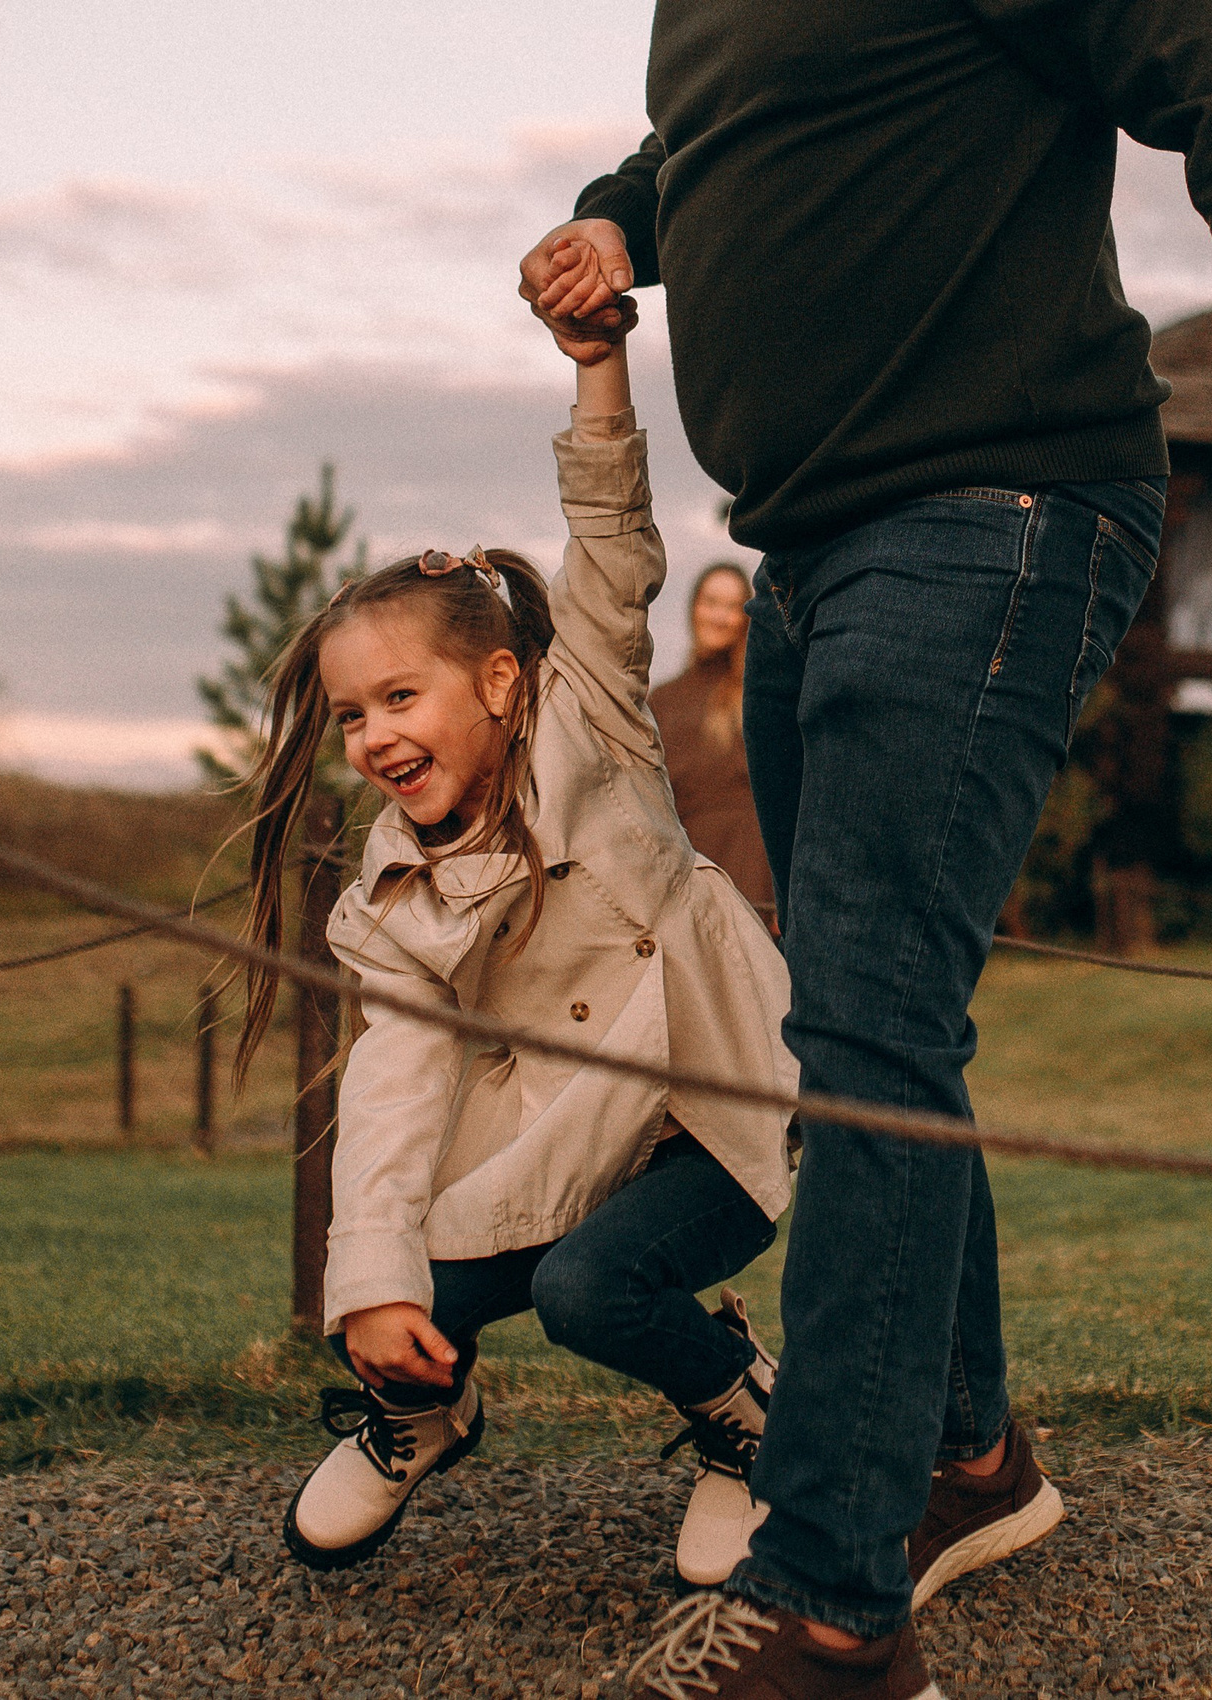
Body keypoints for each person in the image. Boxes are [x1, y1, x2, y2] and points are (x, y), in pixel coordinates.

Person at [517, 2, 1212, 1695]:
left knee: (866, 1041)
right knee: (863, 1017)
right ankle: (966, 1455)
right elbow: (704, 155)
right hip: (811, 552)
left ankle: (833, 1610)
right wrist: (616, 221)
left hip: (993, 512)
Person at [233, 261, 798, 1588]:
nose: (374, 736)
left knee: (591, 1292)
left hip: (711, 1108)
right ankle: (422, 1409)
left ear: (500, 681)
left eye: (401, 698)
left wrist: (597, 362)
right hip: (558, 1133)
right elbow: (395, 1081)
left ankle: (741, 1425)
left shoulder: (595, 729)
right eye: (353, 715)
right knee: (366, 1269)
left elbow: (610, 543)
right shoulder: (390, 899)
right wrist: (371, 1281)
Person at [650, 562, 777, 919]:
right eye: (710, 602)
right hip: (684, 881)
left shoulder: (760, 693)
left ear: (747, 616)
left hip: (755, 885)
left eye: (732, 606)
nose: (719, 616)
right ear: (694, 608)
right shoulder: (660, 699)